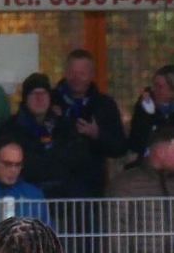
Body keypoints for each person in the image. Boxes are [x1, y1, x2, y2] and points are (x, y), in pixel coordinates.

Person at [50, 49, 128, 200]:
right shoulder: (50, 101)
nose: (76, 78)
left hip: (90, 189)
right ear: (65, 72)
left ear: (92, 74)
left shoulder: (104, 105)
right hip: (54, 186)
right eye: (72, 73)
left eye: (82, 73)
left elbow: (119, 148)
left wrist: (97, 134)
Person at [0, 73, 71, 197]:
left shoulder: (63, 126)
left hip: (62, 198)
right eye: (34, 94)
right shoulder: (10, 128)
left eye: (43, 94)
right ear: (25, 98)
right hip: (23, 196)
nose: (39, 99)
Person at [125, 65, 174, 166]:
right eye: (154, 86)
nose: (154, 91)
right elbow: (136, 145)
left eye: (159, 87)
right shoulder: (146, 106)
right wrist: (147, 115)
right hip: (148, 170)